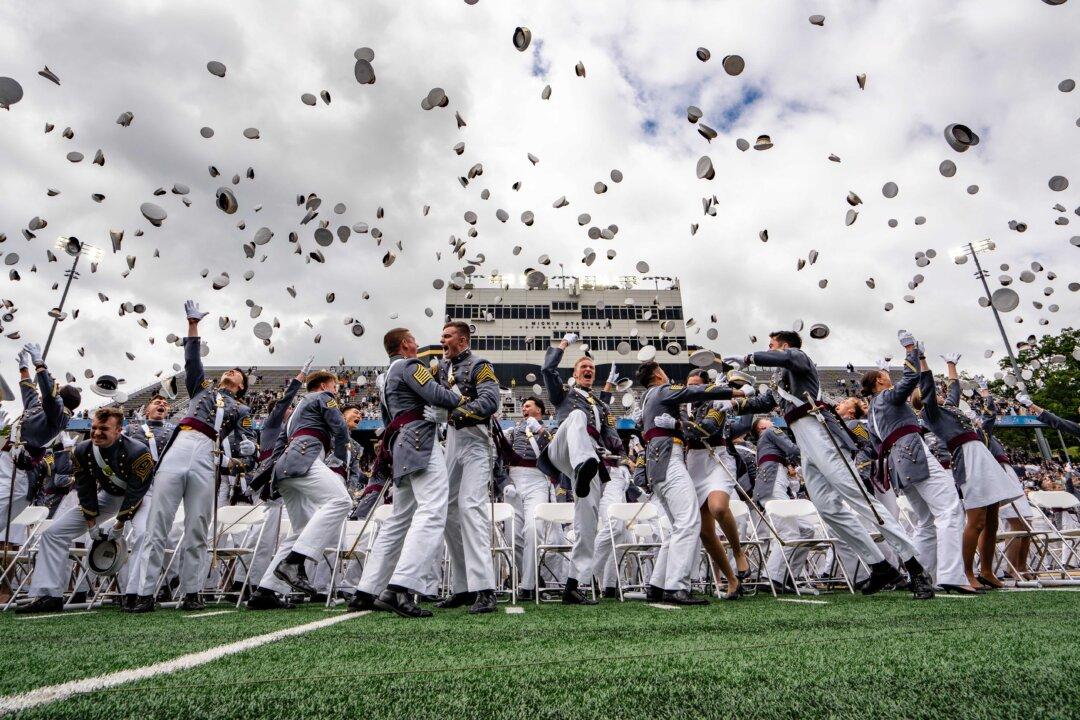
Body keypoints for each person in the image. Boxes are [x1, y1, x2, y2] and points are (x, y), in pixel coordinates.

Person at [741, 329, 934, 599]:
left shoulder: (799, 358)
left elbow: (786, 358)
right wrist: (735, 401)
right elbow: (764, 401)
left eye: (771, 345)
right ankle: (879, 566)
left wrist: (750, 357)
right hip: (805, 441)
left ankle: (915, 567)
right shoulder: (784, 378)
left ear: (784, 346)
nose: (768, 347)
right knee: (827, 509)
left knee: (860, 499)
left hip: (822, 434)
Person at [131, 300, 256, 613]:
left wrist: (246, 453)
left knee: (198, 526)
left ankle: (192, 591)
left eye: (237, 374)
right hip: (181, 445)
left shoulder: (242, 410)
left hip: (208, 453)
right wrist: (193, 324)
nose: (231, 372)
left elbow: (248, 447)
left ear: (241, 388)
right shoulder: (203, 390)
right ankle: (145, 592)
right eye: (229, 370)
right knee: (158, 523)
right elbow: (191, 360)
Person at [351, 327, 463, 618]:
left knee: (400, 519)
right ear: (405, 345)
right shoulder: (412, 366)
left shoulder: (386, 375)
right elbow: (439, 395)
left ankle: (367, 589)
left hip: (400, 445)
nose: (417, 344)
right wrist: (455, 395)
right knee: (433, 509)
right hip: (420, 442)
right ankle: (400, 588)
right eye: (413, 339)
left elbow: (389, 417)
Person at [16, 407, 153, 614]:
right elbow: (86, 489)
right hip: (110, 495)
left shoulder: (139, 451)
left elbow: (136, 493)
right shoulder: (82, 450)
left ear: (119, 430)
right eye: (94, 427)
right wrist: (91, 526)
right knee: (53, 534)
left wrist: (118, 526)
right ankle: (49, 595)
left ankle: (139, 595)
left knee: (143, 534)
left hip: (143, 495)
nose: (97, 433)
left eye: (104, 428)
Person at [861, 338, 968, 594]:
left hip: (897, 465)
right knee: (950, 510)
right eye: (884, 375)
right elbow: (910, 378)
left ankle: (923, 575)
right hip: (913, 452)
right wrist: (912, 350)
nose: (888, 377)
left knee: (926, 520)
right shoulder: (887, 396)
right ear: (879, 382)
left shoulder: (871, 411)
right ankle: (952, 574)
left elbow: (875, 446)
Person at [635, 360, 745, 605]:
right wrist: (732, 391)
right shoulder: (662, 390)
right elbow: (693, 391)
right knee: (688, 521)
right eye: (664, 371)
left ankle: (658, 584)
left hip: (657, 461)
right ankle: (677, 587)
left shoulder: (645, 400)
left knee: (678, 526)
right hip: (669, 457)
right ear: (658, 375)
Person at [247, 370, 352, 609]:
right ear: (326, 385)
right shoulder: (324, 397)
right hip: (305, 459)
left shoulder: (294, 414)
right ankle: (293, 562)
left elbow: (279, 447)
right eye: (335, 386)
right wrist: (338, 458)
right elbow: (340, 426)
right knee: (341, 501)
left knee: (300, 531)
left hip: (285, 468)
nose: (335, 391)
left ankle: (266, 590)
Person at [918, 349, 1021, 591]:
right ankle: (965, 571)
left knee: (993, 518)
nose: (943, 395)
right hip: (966, 456)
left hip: (981, 455)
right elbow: (929, 388)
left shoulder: (950, 408)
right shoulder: (930, 413)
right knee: (976, 520)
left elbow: (953, 390)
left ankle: (986, 570)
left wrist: (952, 364)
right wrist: (922, 359)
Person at [538, 333, 624, 605]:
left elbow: (610, 435)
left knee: (588, 525)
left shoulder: (600, 405)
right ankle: (583, 464)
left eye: (591, 368)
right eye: (583, 367)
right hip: (563, 450)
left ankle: (574, 585)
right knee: (576, 417)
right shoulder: (564, 394)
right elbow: (547, 369)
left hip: (591, 463)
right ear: (574, 374)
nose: (588, 370)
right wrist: (563, 344)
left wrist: (620, 450)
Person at [434, 321, 501, 614]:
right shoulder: (439, 369)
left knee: (470, 506)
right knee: (447, 508)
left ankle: (485, 588)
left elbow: (489, 401)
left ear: (462, 340)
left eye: (447, 336)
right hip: (452, 441)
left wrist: (452, 413)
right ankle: (462, 586)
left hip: (476, 439)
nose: (442, 340)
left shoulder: (479, 365)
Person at [2, 344, 80, 548]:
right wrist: (23, 368)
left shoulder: (59, 415)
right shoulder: (41, 407)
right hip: (6, 458)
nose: (54, 385)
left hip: (19, 470)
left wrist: (40, 364)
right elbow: (28, 390)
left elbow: (49, 396)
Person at [682, 369, 750, 599]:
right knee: (704, 530)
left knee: (719, 507)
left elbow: (708, 428)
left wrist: (676, 425)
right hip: (693, 462)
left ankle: (739, 552)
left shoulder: (716, 401)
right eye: (689, 385)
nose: (692, 389)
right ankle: (731, 580)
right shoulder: (681, 404)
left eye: (697, 385)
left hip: (716, 456)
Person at [119, 394, 175, 609]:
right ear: (146, 410)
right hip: (135, 488)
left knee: (147, 536)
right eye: (156, 402)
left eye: (165, 403)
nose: (161, 404)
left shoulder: (173, 431)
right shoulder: (132, 430)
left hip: (161, 488)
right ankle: (129, 590)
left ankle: (136, 592)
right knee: (138, 537)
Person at [500, 396, 554, 601]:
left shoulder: (549, 430)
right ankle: (528, 578)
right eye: (522, 406)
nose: (523, 408)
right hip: (514, 479)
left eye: (528, 405)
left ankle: (528, 585)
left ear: (539, 411)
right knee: (513, 536)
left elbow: (556, 450)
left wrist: (540, 430)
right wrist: (505, 483)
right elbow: (500, 461)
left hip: (537, 479)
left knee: (533, 529)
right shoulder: (513, 431)